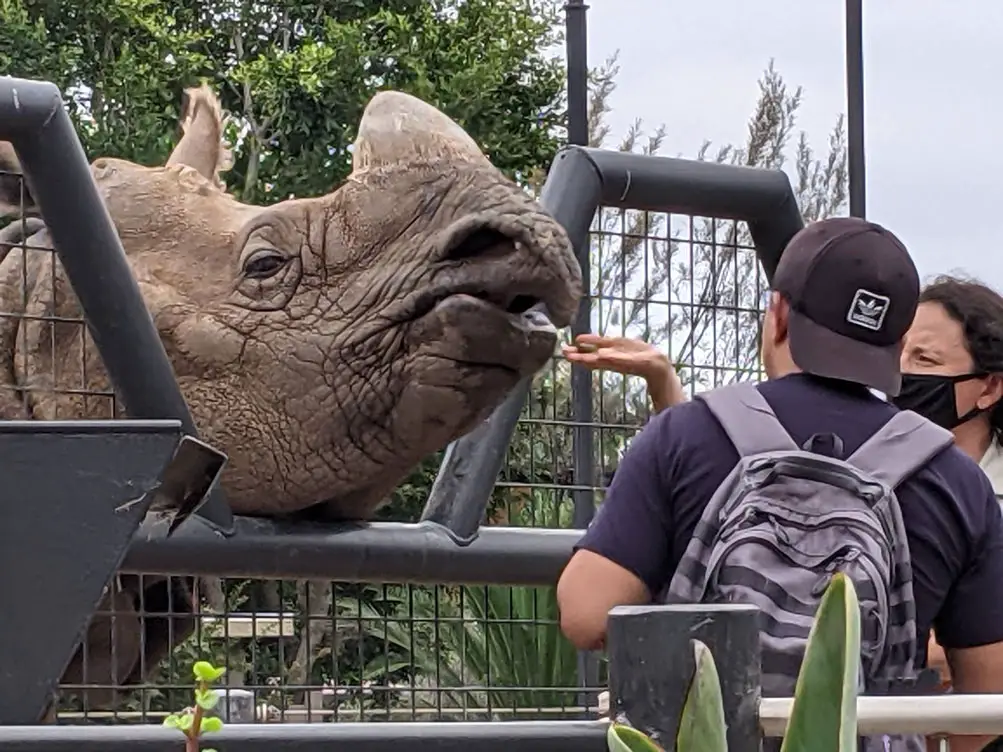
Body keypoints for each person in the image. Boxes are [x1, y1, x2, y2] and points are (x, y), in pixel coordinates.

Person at [556, 218, 1003, 752]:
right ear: (896, 341)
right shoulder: (955, 479)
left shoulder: (686, 434)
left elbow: (585, 614)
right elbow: (983, 706)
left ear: (779, 312)